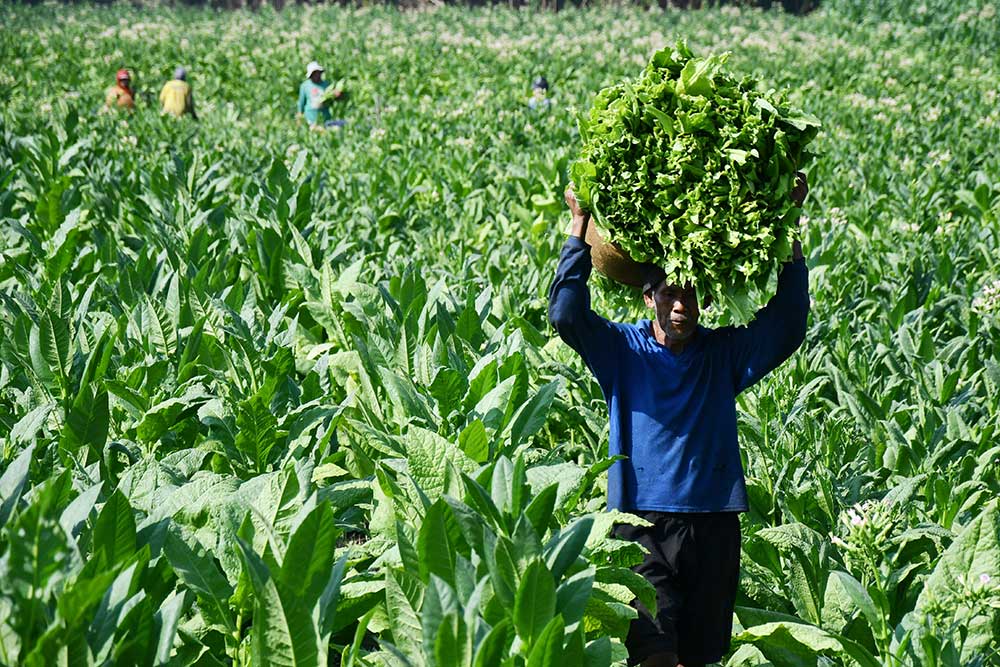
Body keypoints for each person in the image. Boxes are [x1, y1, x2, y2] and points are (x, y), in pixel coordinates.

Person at [548, 175, 811, 667]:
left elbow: (789, 320)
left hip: (714, 523)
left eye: (689, 295)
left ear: (703, 301)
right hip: (640, 524)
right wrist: (579, 222)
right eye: (669, 294)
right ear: (648, 298)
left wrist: (789, 220)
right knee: (653, 656)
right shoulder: (621, 350)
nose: (679, 306)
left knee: (698, 656)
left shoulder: (722, 355)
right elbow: (565, 313)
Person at [297, 61, 341, 127]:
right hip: (310, 118)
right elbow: (301, 103)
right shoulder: (305, 86)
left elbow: (332, 100)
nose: (316, 75)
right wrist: (299, 118)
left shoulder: (326, 85)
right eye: (314, 73)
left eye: (317, 73)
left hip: (325, 118)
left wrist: (336, 95)